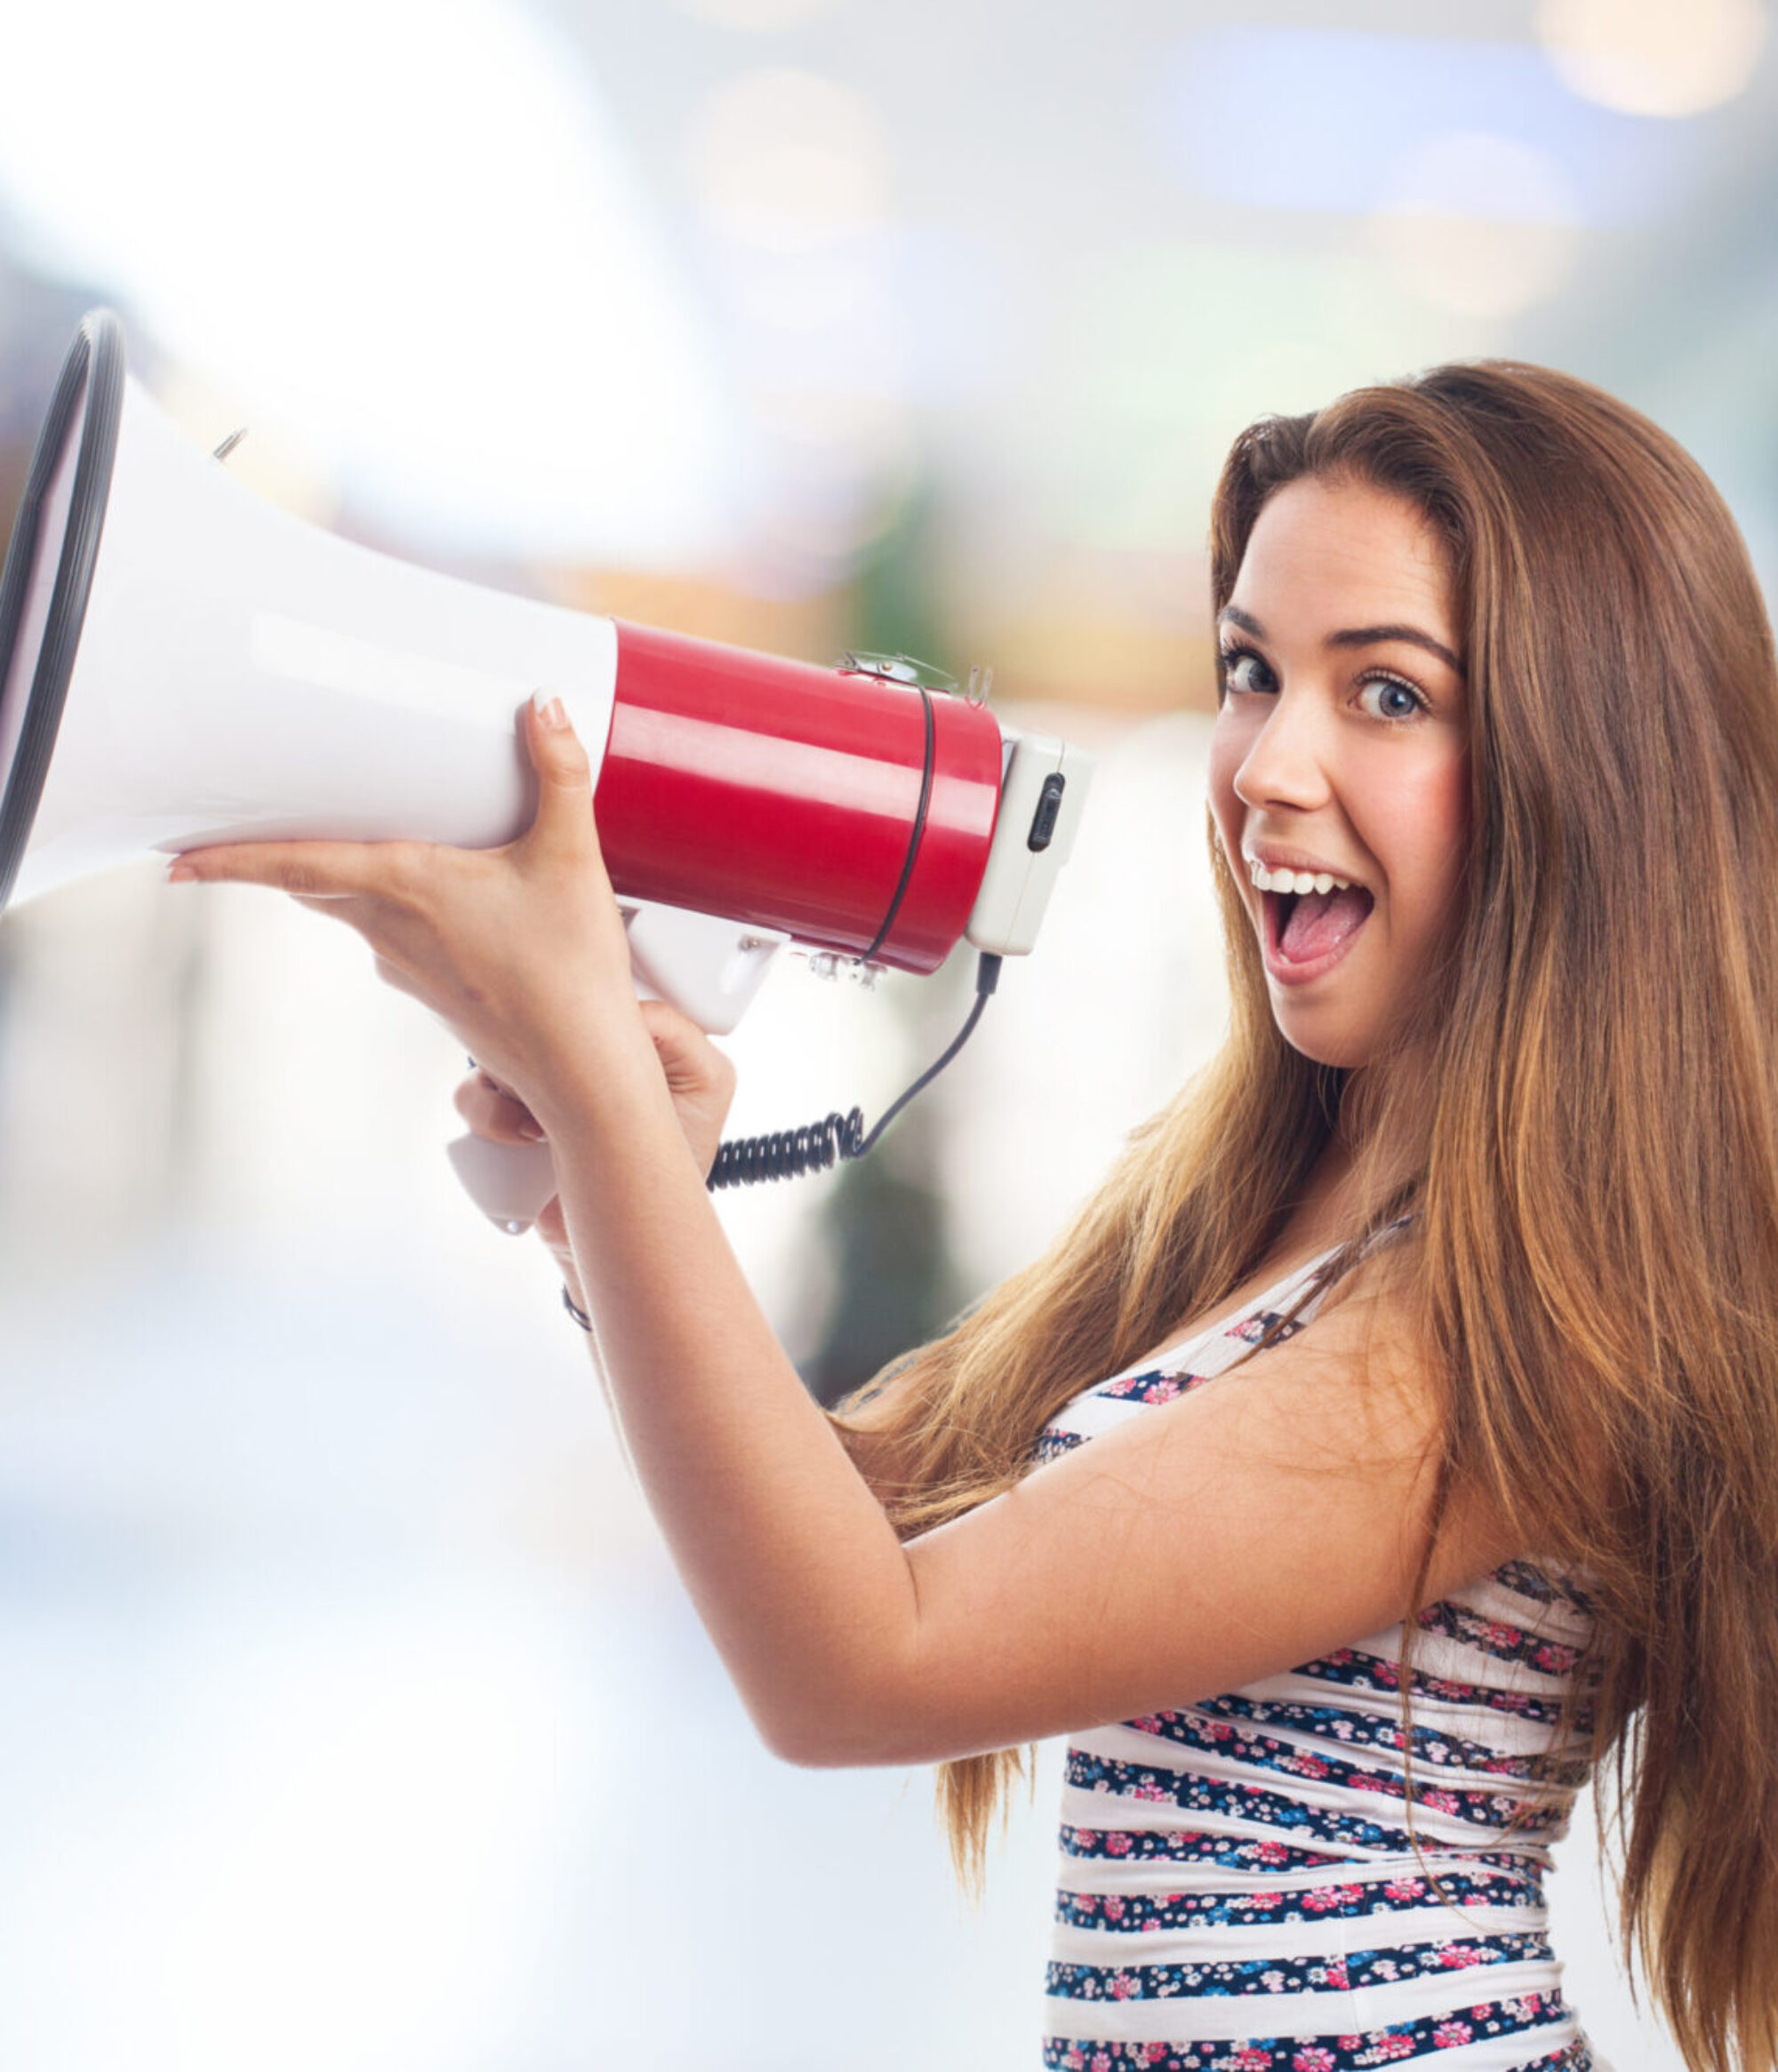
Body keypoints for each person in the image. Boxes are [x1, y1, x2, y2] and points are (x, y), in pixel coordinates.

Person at [165, 360, 1778, 2072]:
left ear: (1591, 771)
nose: (1266, 766)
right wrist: (608, 1175)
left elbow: (860, 1660)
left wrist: (604, 1114)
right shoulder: (1293, 1201)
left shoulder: (1519, 1314)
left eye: (1387, 695)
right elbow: (871, 1520)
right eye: (1251, 671)